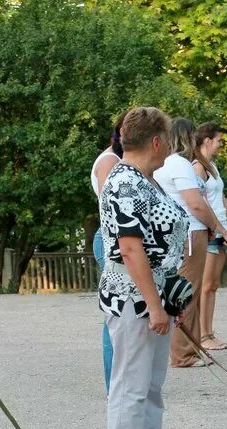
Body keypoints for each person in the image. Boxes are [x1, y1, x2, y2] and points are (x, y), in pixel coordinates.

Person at [98, 107, 187, 429]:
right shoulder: (124, 183)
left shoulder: (145, 180)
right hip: (133, 299)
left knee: (150, 385)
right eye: (166, 138)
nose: (168, 145)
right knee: (130, 386)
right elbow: (130, 249)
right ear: (155, 141)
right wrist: (154, 305)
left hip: (156, 296)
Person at [153, 118, 224, 367]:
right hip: (191, 233)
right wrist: (215, 227)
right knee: (188, 294)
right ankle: (184, 354)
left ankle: (189, 348)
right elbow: (195, 203)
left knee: (180, 291)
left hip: (174, 233)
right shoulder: (181, 165)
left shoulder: (162, 165)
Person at [192, 122, 227, 351]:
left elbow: (221, 200)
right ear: (207, 140)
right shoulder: (197, 167)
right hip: (210, 232)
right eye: (219, 140)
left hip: (222, 232)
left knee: (213, 284)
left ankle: (209, 332)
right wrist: (220, 229)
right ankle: (202, 335)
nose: (221, 144)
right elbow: (200, 203)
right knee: (206, 284)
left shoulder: (212, 166)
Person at [90, 110, 128, 394]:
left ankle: (121, 379)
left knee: (124, 310)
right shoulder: (109, 161)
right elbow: (111, 206)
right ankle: (112, 382)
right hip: (111, 239)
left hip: (116, 239)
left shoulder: (119, 160)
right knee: (117, 310)